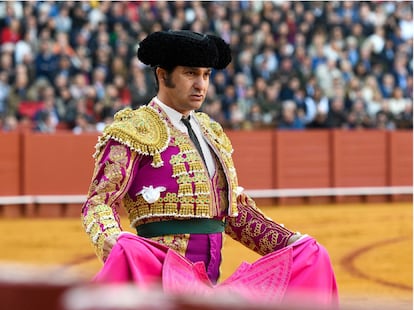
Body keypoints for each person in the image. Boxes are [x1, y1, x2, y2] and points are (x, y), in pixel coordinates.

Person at [81, 30, 338, 308]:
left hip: (207, 286)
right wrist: (110, 237)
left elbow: (231, 216)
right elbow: (98, 203)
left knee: (311, 254)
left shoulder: (211, 133)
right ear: (163, 75)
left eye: (206, 75)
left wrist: (288, 242)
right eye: (191, 74)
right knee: (131, 250)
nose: (200, 85)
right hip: (159, 279)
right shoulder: (132, 131)